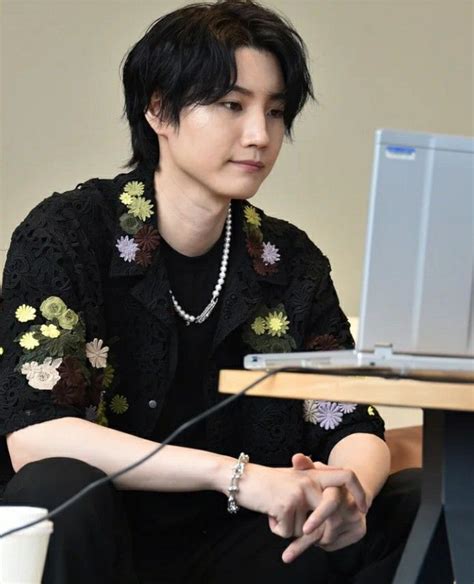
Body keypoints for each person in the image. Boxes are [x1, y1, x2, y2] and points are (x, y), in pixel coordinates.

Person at [0, 1, 426, 583]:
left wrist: (349, 493)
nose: (260, 135)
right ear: (159, 110)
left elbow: (349, 419)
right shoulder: (68, 234)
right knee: (56, 485)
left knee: (424, 499)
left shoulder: (288, 258)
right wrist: (240, 477)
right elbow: (36, 436)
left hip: (242, 546)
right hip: (105, 539)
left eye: (275, 112)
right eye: (231, 105)